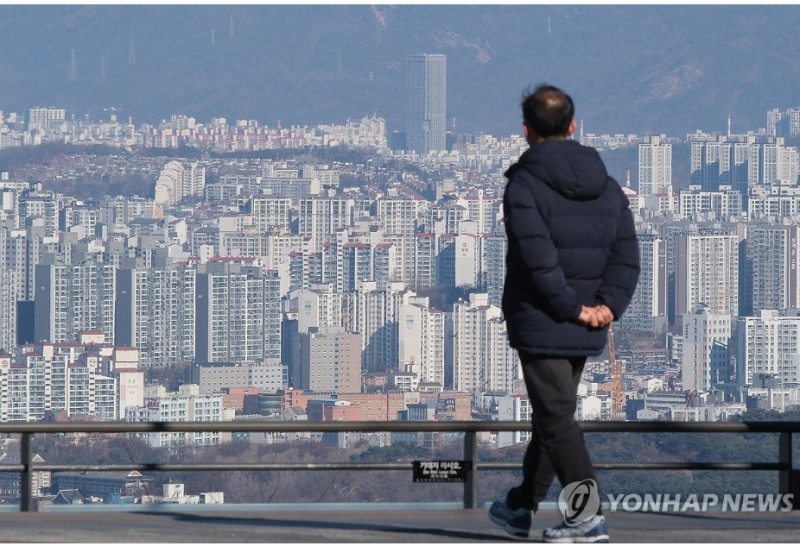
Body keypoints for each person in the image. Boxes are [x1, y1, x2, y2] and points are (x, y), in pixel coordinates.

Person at [488, 84, 640, 543]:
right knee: (553, 417)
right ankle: (520, 506)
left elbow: (538, 261)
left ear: (527, 130)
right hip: (586, 321)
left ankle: (586, 516)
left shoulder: (524, 185)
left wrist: (572, 309)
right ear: (572, 126)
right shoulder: (608, 186)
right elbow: (627, 255)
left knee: (555, 419)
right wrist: (605, 308)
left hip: (542, 321)